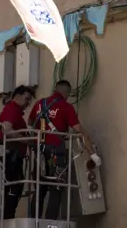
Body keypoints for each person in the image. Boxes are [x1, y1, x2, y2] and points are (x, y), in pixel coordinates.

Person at [27, 80, 97, 220]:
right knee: (56, 187)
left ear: (55, 89)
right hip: (56, 153)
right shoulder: (66, 107)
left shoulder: (40, 104)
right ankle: (49, 224)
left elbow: (30, 123)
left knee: (40, 188)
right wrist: (92, 153)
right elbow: (78, 130)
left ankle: (32, 222)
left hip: (39, 153)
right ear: (67, 93)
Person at [0, 85, 36, 220]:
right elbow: (7, 130)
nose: (28, 103)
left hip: (11, 155)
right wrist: (27, 140)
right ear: (17, 97)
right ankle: (7, 216)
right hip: (11, 155)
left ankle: (7, 215)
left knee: (13, 187)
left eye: (30, 100)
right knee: (14, 187)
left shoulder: (12, 111)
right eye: (26, 99)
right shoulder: (12, 109)